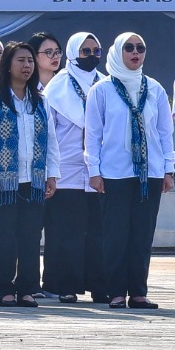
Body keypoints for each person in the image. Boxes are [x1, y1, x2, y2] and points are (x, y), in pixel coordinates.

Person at [85, 32, 174, 310]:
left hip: (149, 172)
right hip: (114, 172)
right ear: (117, 52)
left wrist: (168, 169)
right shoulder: (102, 89)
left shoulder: (155, 89)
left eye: (140, 48)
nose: (135, 52)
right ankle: (115, 292)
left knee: (142, 234)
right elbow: (93, 134)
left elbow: (164, 132)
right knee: (115, 234)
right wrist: (94, 170)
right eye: (129, 47)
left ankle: (138, 292)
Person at [0, 42, 60, 307]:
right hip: (5, 180)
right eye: (21, 60)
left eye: (30, 61)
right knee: (4, 235)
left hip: (34, 179)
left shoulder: (40, 101)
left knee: (30, 236)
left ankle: (27, 288)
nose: (27, 66)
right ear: (8, 65)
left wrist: (52, 174)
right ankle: (5, 288)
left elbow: (51, 141)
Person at [42, 31, 104, 303]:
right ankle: (61, 285)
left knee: (98, 231)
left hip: (98, 170)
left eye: (96, 51)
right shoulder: (57, 87)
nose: (91, 56)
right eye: (85, 51)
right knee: (65, 231)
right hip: (65, 169)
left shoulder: (104, 83)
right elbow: (48, 133)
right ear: (72, 53)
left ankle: (99, 284)